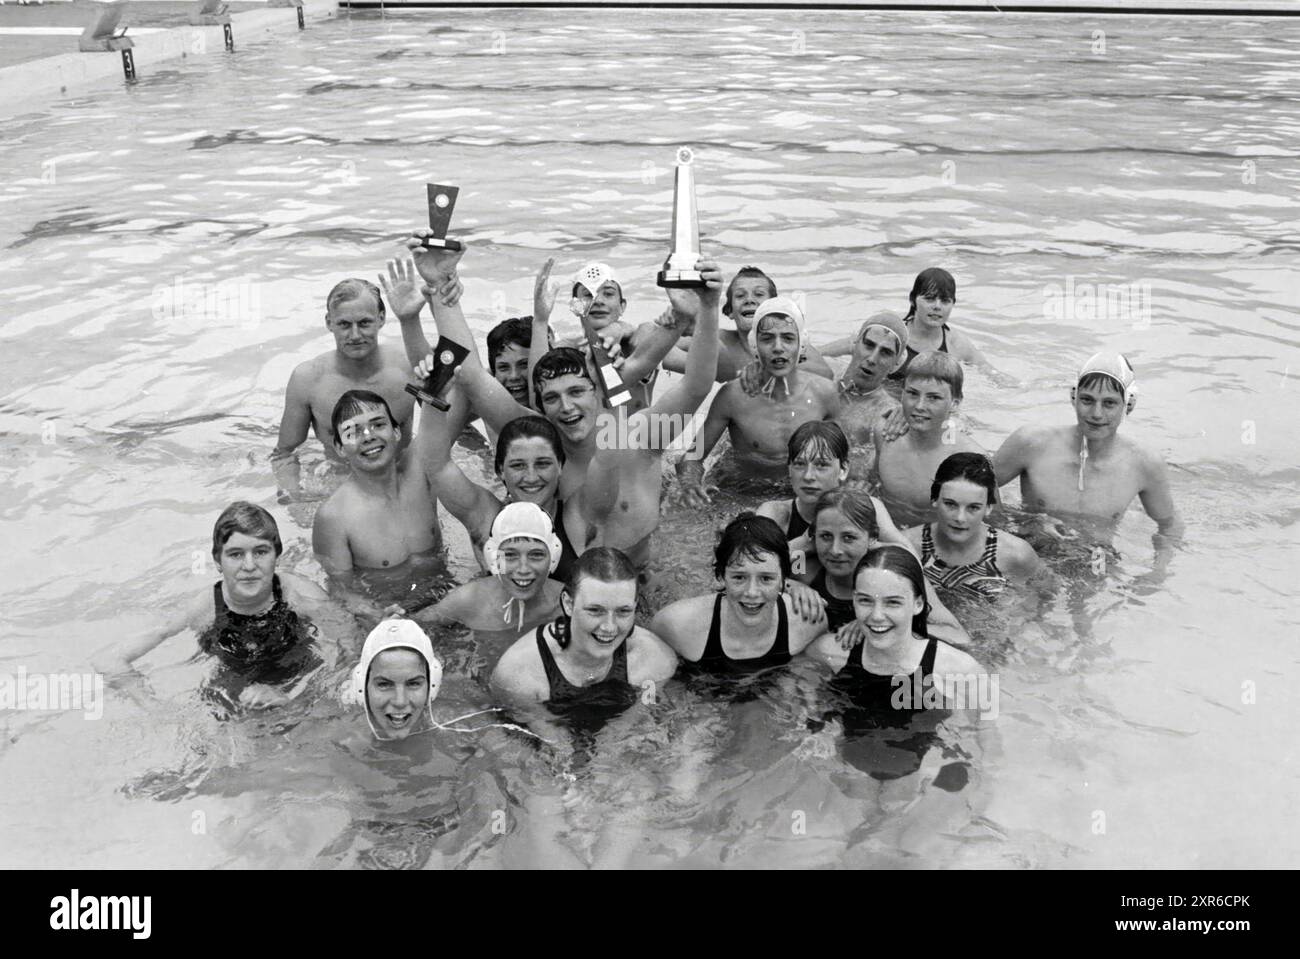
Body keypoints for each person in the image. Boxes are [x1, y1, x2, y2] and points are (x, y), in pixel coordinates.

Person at [450, 262, 724, 572]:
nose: (566, 407)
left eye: (577, 393)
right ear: (541, 405)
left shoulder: (640, 434)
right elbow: (471, 376)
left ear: (598, 391)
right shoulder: (539, 447)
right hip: (568, 582)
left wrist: (709, 307)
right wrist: (445, 293)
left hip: (641, 577)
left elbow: (697, 385)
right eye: (552, 398)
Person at [93, 503, 330, 710]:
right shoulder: (203, 608)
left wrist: (291, 698)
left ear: (276, 556)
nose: (249, 566)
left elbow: (350, 655)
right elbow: (108, 660)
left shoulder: (300, 596)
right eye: (236, 554)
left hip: (300, 680)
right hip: (234, 687)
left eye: (260, 552)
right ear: (218, 562)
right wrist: (151, 705)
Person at [802, 546, 987, 782]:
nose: (877, 616)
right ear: (854, 600)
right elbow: (802, 686)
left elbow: (984, 741)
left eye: (893, 603)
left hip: (923, 774)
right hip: (848, 770)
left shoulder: (959, 669)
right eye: (866, 601)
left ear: (918, 604)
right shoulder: (827, 652)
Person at [992, 351, 1183, 569]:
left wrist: (1156, 575)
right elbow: (973, 487)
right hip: (1029, 556)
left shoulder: (1144, 464)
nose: (1096, 414)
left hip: (1095, 562)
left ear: (1128, 405)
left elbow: (1170, 526)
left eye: (1109, 403)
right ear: (1074, 397)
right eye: (1087, 400)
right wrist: (1027, 521)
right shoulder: (1031, 443)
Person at [490, 548, 677, 731]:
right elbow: (550, 743)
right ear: (568, 604)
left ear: (635, 606)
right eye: (595, 610)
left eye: (623, 611)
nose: (609, 627)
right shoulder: (519, 674)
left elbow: (644, 715)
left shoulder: (654, 659)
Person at [676, 296, 840, 504]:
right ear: (755, 345)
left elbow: (843, 456)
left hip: (803, 493)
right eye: (767, 338)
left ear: (801, 345)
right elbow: (692, 456)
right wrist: (691, 485)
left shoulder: (824, 393)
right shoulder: (733, 396)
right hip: (746, 492)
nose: (778, 347)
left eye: (788, 338)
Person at [271, 278, 422, 501]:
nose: (355, 335)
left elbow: (449, 418)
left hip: (401, 480)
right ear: (329, 322)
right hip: (341, 486)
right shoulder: (308, 380)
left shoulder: (408, 366)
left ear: (381, 319)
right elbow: (284, 454)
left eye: (364, 323)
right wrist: (295, 496)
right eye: (344, 324)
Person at [310, 390, 450, 612]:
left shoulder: (420, 471)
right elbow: (341, 592)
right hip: (387, 620)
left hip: (445, 601)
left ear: (396, 432)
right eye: (353, 432)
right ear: (339, 448)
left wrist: (435, 383)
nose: (368, 436)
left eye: (377, 425)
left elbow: (450, 406)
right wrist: (383, 619)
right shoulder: (334, 517)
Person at [650, 514, 825, 672]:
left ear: (783, 580)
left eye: (766, 578)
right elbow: (649, 680)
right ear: (720, 576)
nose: (752, 592)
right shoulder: (675, 625)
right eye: (739, 577)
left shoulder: (807, 624)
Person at [423, 415, 584, 579]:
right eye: (518, 466)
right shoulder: (484, 518)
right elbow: (437, 466)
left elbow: (607, 461)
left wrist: (611, 396)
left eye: (542, 464)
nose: (531, 477)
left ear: (560, 466)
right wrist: (432, 402)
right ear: (500, 471)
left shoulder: (582, 517)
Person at [801, 489, 969, 646]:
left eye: (849, 538)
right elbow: (784, 564)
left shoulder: (897, 574)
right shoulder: (805, 571)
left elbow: (959, 636)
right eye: (825, 536)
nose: (835, 550)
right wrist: (791, 584)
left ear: (872, 538)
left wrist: (888, 626)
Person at [755, 421, 910, 578]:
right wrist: (795, 576)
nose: (808, 476)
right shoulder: (777, 514)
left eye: (821, 465)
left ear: (843, 470)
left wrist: (866, 544)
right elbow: (750, 568)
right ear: (789, 469)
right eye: (799, 464)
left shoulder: (868, 508)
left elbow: (908, 556)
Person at [904, 452, 1043, 597]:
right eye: (950, 504)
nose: (960, 518)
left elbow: (1037, 605)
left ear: (988, 507)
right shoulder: (906, 547)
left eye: (973, 507)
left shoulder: (1017, 555)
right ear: (934, 499)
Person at [416, 502, 565, 635]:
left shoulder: (566, 603)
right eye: (510, 555)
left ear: (553, 558)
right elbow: (415, 627)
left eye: (536, 555)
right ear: (493, 558)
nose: (523, 569)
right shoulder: (467, 601)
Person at [872, 351, 985, 526]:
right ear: (901, 394)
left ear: (955, 403)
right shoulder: (885, 434)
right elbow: (874, 482)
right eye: (912, 394)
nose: (919, 406)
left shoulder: (971, 459)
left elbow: (994, 523)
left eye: (933, 398)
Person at [662, 267, 832, 383]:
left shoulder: (789, 343)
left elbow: (826, 374)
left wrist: (765, 371)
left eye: (758, 294)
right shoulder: (721, 340)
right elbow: (665, 354)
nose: (749, 300)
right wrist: (675, 326)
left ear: (774, 308)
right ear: (729, 311)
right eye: (740, 296)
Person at [342, 618, 443, 740]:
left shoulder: (459, 721)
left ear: (432, 686)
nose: (400, 702)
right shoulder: (334, 727)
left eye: (414, 683)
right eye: (384, 684)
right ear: (362, 687)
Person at [888, 268, 990, 381]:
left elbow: (989, 372)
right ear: (912, 300)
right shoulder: (892, 337)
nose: (937, 306)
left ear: (953, 304)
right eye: (929, 299)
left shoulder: (956, 343)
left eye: (945, 301)